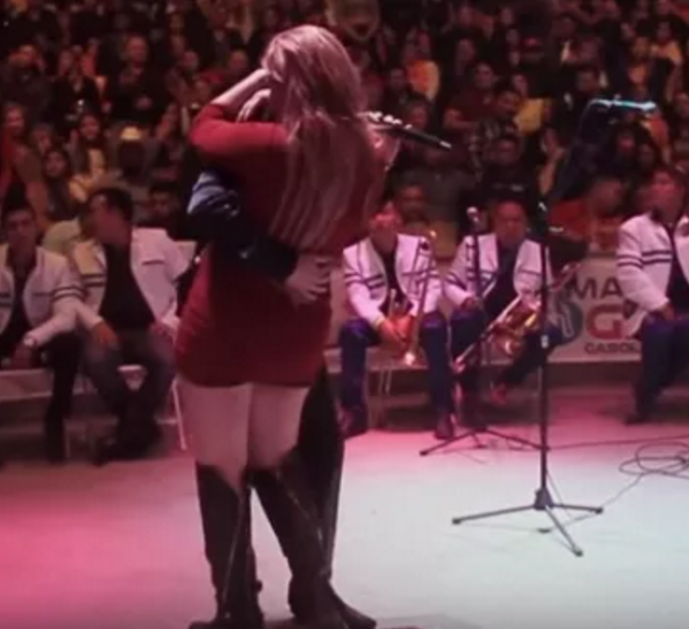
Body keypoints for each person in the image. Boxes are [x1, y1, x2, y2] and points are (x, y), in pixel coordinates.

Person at [177, 25, 390, 629]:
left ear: (287, 81)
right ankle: (316, 599)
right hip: (296, 330)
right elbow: (353, 230)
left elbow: (203, 128)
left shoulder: (266, 144)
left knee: (222, 467)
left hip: (228, 320)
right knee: (277, 458)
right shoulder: (366, 154)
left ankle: (236, 610)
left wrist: (254, 80)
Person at [185, 170, 375, 629]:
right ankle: (244, 605)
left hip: (295, 332)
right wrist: (282, 264)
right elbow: (207, 207)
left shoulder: (333, 159)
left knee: (317, 453)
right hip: (242, 318)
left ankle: (313, 593)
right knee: (239, 463)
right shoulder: (247, 153)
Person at [0, 203, 81, 478]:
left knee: (69, 344)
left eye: (26, 224)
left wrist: (31, 341)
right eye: (13, 226)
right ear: (4, 232)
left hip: (38, 335)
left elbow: (66, 316)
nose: (21, 231)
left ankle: (55, 420)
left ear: (36, 228)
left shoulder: (57, 264)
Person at [70, 188, 190, 465]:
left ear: (116, 214)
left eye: (95, 212)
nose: (89, 219)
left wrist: (170, 321)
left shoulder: (157, 241)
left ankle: (128, 434)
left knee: (166, 359)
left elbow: (188, 286)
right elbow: (70, 298)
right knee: (95, 361)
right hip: (107, 330)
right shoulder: (80, 253)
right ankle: (140, 428)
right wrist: (95, 322)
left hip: (151, 328)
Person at [616, 166, 689, 424]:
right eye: (654, 183)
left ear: (681, 191)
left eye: (664, 182)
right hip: (651, 307)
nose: (655, 188)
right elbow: (628, 273)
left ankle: (648, 388)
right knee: (660, 331)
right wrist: (659, 303)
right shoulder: (633, 228)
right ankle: (646, 398)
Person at [446, 195, 563, 426]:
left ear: (525, 223)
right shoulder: (472, 246)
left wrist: (536, 313)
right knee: (462, 321)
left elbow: (547, 295)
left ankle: (507, 381)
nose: (511, 226)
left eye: (517, 220)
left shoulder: (538, 251)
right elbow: (450, 283)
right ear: (495, 222)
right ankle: (469, 394)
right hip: (480, 316)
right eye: (505, 220)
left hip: (518, 322)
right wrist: (465, 300)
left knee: (551, 335)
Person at [340, 203, 453, 439]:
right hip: (377, 319)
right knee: (350, 333)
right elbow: (358, 297)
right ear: (367, 222)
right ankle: (353, 411)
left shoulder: (419, 246)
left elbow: (433, 287)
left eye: (385, 213)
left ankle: (443, 409)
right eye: (374, 214)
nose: (380, 220)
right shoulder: (352, 255)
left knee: (436, 328)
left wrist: (412, 317)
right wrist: (382, 324)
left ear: (398, 219)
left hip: (415, 315)